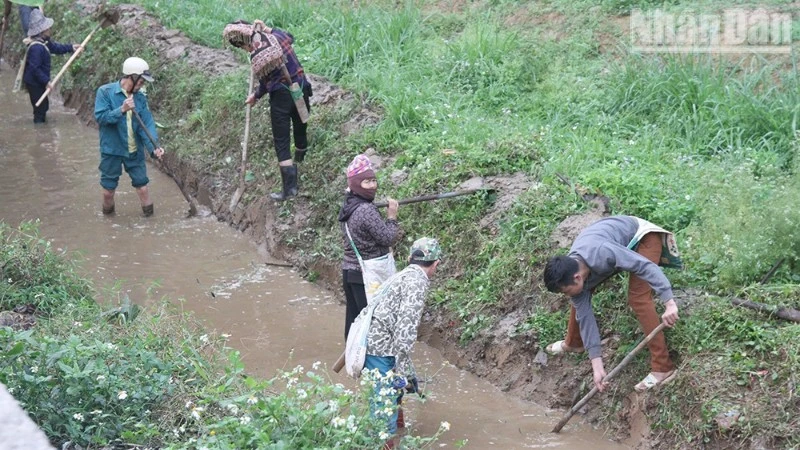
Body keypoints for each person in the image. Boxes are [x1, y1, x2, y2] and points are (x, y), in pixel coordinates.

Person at [542, 215, 683, 393]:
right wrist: (597, 366)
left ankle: (663, 367)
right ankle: (574, 343)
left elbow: (644, 266)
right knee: (578, 301)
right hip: (614, 246)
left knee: (638, 298)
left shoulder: (601, 252)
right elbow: (585, 317)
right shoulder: (573, 271)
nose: (566, 295)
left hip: (643, 238)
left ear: (577, 278)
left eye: (565, 291)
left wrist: (669, 302)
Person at [364, 237, 442, 449]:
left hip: (375, 341)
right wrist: (403, 370)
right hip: (380, 347)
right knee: (384, 404)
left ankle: (397, 433)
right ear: (435, 264)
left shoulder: (404, 274)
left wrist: (404, 373)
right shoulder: (417, 283)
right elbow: (405, 332)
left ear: (410, 258)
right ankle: (383, 443)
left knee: (394, 391)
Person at [223, 19, 312, 201]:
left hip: (281, 95)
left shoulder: (257, 57)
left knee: (282, 140)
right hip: (300, 86)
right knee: (300, 122)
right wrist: (268, 29)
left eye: (241, 47)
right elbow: (290, 37)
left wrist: (256, 95)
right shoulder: (277, 37)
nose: (244, 49)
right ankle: (302, 156)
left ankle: (290, 189)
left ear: (242, 43)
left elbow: (266, 82)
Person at [338, 154, 400, 339]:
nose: (372, 185)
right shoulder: (366, 210)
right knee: (372, 325)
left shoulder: (348, 206)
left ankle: (351, 354)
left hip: (350, 272)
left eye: (373, 180)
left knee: (354, 321)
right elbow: (387, 238)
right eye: (367, 182)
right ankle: (369, 357)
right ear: (356, 184)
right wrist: (392, 217)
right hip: (366, 276)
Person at [93, 57, 164, 217]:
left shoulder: (140, 98)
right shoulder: (105, 92)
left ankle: (150, 221)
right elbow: (101, 118)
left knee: (143, 189)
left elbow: (147, 125)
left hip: (134, 151)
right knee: (108, 193)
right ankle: (109, 222)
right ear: (131, 76)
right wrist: (121, 109)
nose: (142, 85)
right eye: (140, 81)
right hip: (111, 151)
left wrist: (155, 148)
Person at [21, 8, 78, 123]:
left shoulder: (44, 42)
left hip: (38, 81)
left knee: (44, 106)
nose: (50, 29)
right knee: (40, 109)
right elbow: (34, 69)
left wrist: (71, 47)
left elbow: (55, 48)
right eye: (48, 28)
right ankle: (39, 129)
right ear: (42, 31)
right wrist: (46, 81)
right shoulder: (36, 48)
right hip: (34, 83)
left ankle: (41, 124)